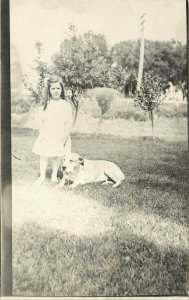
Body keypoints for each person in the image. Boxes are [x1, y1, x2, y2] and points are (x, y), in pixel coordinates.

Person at [32, 75, 73, 185]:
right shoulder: (46, 104)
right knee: (44, 155)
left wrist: (66, 134)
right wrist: (42, 131)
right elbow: (39, 118)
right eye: (53, 88)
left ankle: (54, 175)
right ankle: (42, 176)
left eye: (58, 88)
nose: (56, 91)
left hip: (60, 134)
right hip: (47, 133)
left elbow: (69, 122)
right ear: (49, 90)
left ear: (62, 89)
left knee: (56, 155)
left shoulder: (65, 104)